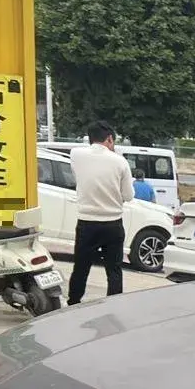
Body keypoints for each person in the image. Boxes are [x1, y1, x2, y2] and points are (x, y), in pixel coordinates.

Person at [67, 121, 135, 306]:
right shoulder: (120, 161)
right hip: (112, 223)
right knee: (114, 269)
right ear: (110, 139)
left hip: (86, 223)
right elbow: (128, 196)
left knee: (81, 267)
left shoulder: (76, 154)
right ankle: (113, 305)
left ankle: (73, 302)